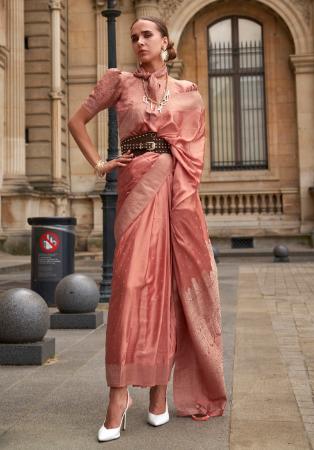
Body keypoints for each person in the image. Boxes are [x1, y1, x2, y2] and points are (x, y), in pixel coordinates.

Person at [68, 15, 227, 443]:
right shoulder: (119, 82)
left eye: (146, 35)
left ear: (165, 42)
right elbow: (76, 121)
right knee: (131, 284)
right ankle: (118, 397)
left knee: (170, 289)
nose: (139, 41)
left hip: (177, 196)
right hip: (136, 186)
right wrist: (99, 165)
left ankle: (159, 395)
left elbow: (195, 148)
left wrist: (182, 190)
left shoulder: (187, 93)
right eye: (134, 36)